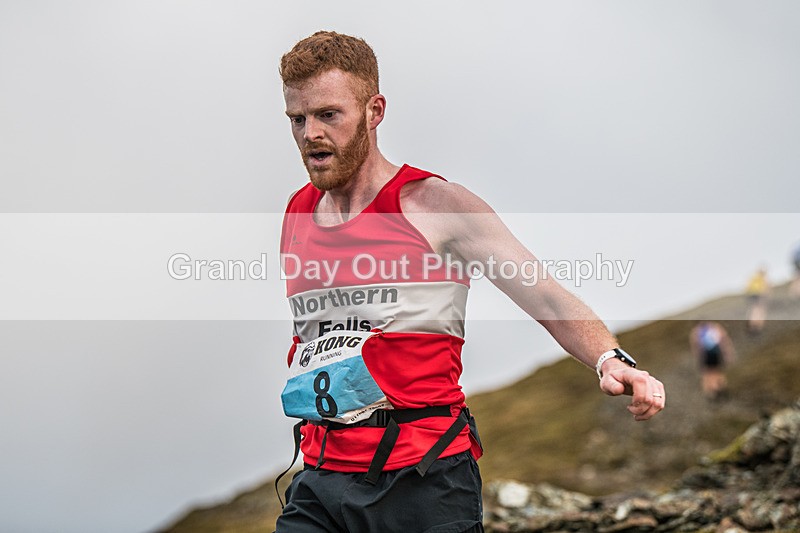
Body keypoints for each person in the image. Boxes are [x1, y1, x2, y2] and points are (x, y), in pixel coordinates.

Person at [275, 31, 665, 533]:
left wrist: (611, 360)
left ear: (374, 110)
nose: (310, 134)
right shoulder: (296, 213)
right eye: (297, 119)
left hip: (423, 478)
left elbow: (543, 292)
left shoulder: (435, 205)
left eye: (329, 115)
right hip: (322, 478)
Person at [689, 321, 735, 400]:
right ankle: (721, 388)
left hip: (706, 355)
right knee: (717, 371)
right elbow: (724, 340)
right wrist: (727, 353)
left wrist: (698, 358)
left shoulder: (696, 331)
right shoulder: (714, 327)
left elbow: (696, 346)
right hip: (716, 353)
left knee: (707, 374)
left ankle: (711, 393)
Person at [745, 268, 769, 334]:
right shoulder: (762, 278)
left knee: (753, 309)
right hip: (758, 294)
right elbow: (765, 287)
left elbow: (747, 286)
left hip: (751, 294)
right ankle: (758, 325)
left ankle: (751, 324)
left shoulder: (753, 277)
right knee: (760, 310)